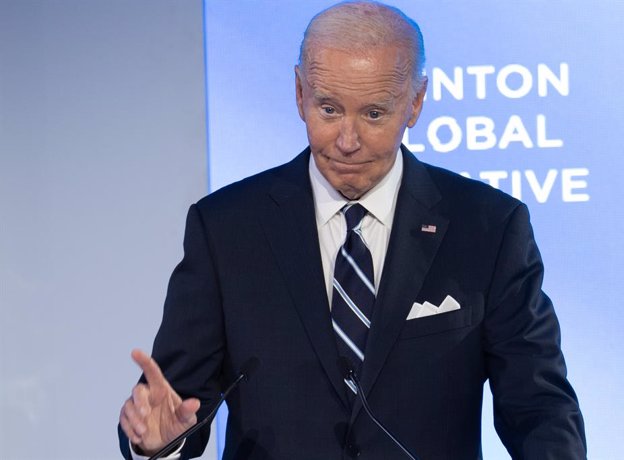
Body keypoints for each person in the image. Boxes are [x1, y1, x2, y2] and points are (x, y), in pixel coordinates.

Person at [118, 2, 586, 459]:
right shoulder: (226, 228)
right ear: (299, 93)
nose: (347, 140)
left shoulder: (488, 227)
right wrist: (159, 442)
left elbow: (538, 404)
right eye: (328, 109)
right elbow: (177, 404)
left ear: (416, 102)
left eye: (374, 114)